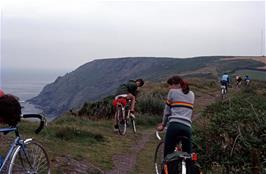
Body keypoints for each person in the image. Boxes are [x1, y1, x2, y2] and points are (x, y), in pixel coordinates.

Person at [157, 76, 195, 158]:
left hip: (174, 126)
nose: (169, 87)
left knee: (167, 155)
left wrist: (163, 125)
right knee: (188, 156)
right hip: (187, 128)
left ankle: (165, 170)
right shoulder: (192, 94)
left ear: (176, 84)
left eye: (170, 85)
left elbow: (167, 112)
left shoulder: (172, 92)